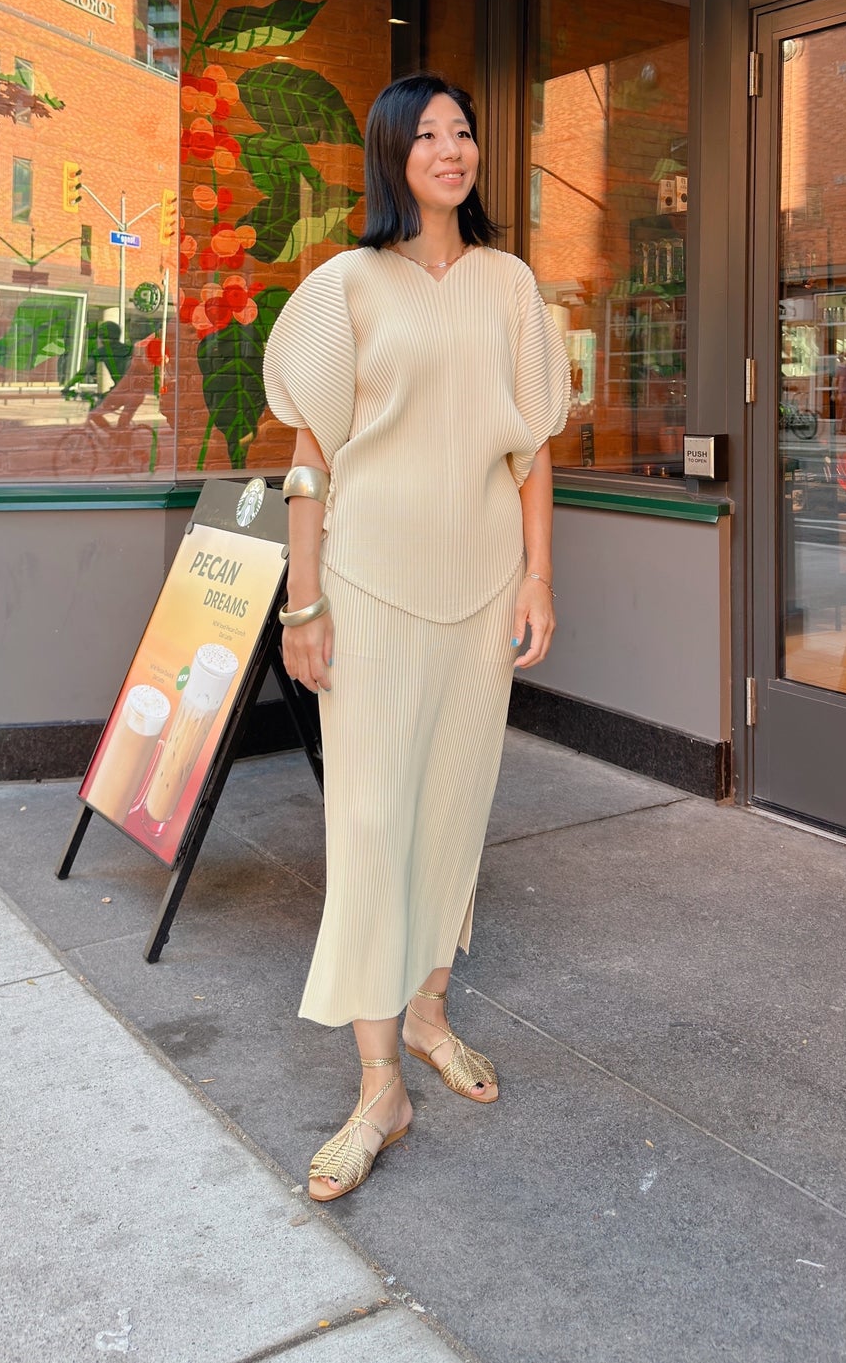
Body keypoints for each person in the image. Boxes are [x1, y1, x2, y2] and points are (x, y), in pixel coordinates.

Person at [263, 74, 570, 1204]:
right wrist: (303, 603)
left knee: (450, 809)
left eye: (463, 132)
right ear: (391, 157)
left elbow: (529, 452)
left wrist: (538, 575)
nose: (450, 149)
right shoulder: (346, 286)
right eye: (427, 135)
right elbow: (308, 457)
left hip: (483, 590)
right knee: (371, 821)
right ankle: (377, 1082)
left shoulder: (508, 285)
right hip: (368, 589)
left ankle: (431, 1012)